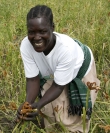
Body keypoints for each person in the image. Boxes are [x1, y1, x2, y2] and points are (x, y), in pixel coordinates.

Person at [17, 5, 100, 133]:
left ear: (52, 28)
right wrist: (27, 105)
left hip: (79, 69)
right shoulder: (26, 46)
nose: (36, 37)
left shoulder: (66, 49)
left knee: (70, 119)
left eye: (42, 31)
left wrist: (38, 105)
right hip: (53, 73)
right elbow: (33, 79)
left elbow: (58, 87)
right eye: (31, 32)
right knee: (48, 111)